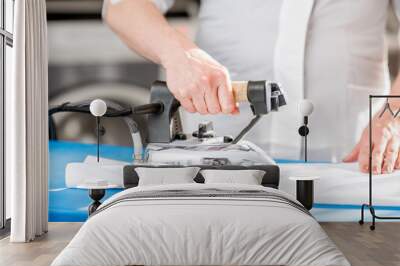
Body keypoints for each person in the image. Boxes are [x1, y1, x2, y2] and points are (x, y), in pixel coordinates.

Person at [102, 0, 400, 174]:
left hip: (352, 161)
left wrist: (394, 116)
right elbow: (123, 6)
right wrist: (180, 54)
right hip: (213, 157)